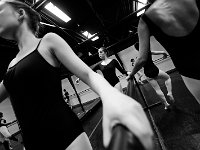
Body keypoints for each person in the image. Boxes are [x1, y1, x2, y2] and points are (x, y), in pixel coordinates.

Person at [0, 0, 153, 150]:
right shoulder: (12, 64)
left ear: (20, 13)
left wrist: (111, 96)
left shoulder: (47, 41)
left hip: (66, 136)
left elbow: (87, 73)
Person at [128, 0, 200, 105]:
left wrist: (131, 74)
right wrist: (163, 53)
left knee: (157, 88)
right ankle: (169, 92)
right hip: (156, 70)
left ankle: (166, 104)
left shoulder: (145, 20)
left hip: (188, 69)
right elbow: (153, 53)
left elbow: (141, 59)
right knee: (167, 78)